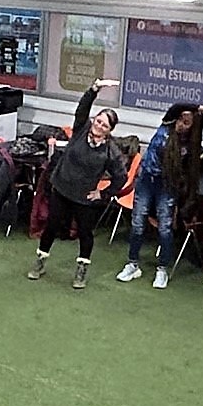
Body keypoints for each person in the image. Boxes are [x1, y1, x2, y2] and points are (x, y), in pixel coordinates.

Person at [28, 79, 130, 290]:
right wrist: (95, 88)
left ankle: (81, 271)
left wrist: (102, 194)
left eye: (104, 124)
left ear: (109, 130)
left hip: (84, 198)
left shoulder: (111, 151)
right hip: (61, 189)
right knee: (51, 227)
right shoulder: (81, 129)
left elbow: (121, 177)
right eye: (98, 120)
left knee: (85, 234)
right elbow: (82, 108)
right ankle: (40, 263)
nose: (99, 125)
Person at [119, 101, 203, 289]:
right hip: (146, 182)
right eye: (181, 120)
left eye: (187, 122)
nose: (182, 124)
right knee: (137, 223)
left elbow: (193, 170)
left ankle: (162, 269)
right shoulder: (165, 125)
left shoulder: (190, 146)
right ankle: (132, 264)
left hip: (166, 187)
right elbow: (177, 106)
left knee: (165, 228)